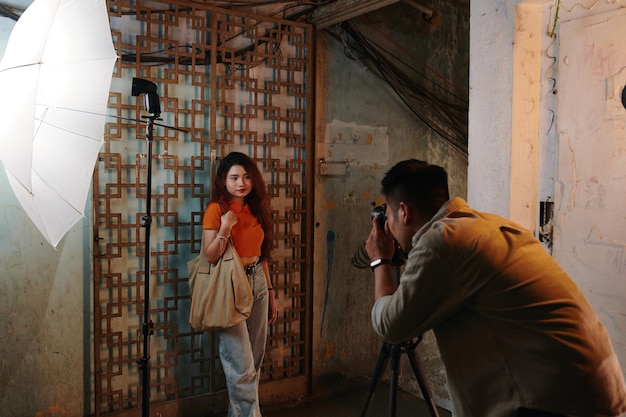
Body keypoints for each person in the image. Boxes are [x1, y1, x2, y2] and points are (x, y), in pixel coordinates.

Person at [365, 159, 626, 417]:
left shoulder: (443, 243)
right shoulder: (489, 226)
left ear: (404, 211)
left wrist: (381, 259)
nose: (388, 226)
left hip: (550, 402)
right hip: (592, 389)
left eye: (388, 216)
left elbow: (392, 327)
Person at [203, 151, 278, 417]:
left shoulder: (256, 208)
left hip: (257, 280)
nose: (241, 183)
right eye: (234, 177)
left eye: (246, 176)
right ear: (223, 180)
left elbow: (263, 254)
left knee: (254, 361)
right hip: (229, 286)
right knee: (241, 364)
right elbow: (209, 255)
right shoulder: (216, 210)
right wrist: (224, 228)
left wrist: (269, 292)